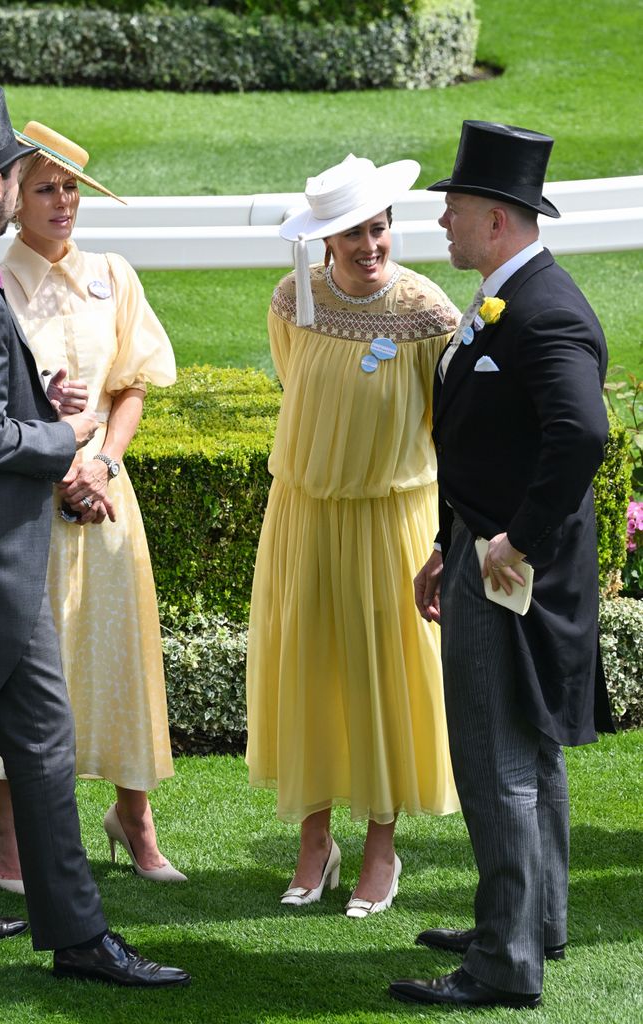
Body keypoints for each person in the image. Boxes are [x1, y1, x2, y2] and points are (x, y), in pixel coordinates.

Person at [0, 84, 189, 988]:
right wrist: (64, 435)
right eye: (19, 176)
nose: (27, 188)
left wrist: (29, 408)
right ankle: (81, 939)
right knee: (46, 743)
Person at [390, 121, 613, 1009]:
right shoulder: (509, 301)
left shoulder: (546, 310)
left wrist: (512, 543)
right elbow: (493, 446)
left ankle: (502, 963)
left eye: (451, 211)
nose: (440, 225)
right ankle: (532, 923)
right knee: (531, 754)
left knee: (496, 765)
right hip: (484, 559)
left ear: (494, 218)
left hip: (513, 579)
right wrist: (451, 545)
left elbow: (582, 435)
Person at [0, 120, 183, 889]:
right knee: (25, 667)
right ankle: (10, 826)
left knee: (119, 656)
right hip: (27, 511)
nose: (62, 202)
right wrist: (57, 462)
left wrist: (103, 462)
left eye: (71, 190)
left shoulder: (113, 275)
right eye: (45, 188)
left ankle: (136, 820)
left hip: (106, 502)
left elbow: (133, 385)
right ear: (12, 199)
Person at [246, 154, 460, 917]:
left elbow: (449, 422)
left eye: (379, 229)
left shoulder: (430, 313)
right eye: (352, 234)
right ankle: (314, 844)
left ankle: (380, 848)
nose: (370, 246)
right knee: (308, 665)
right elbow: (299, 388)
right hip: (304, 512)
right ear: (325, 241)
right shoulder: (289, 301)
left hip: (390, 520)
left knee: (381, 678)